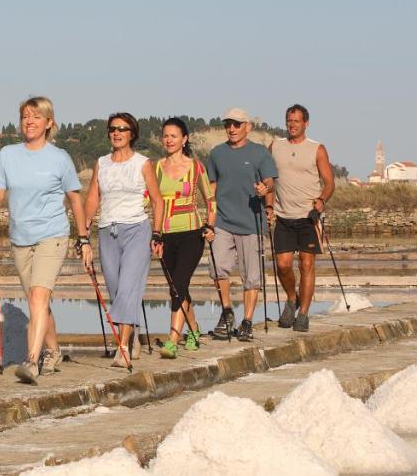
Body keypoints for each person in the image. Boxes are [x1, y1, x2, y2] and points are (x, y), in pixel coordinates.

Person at [0, 96, 92, 385]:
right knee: (37, 301)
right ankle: (54, 351)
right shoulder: (7, 155)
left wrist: (84, 239)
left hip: (52, 235)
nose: (29, 122)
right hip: (20, 237)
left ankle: (32, 361)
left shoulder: (60, 158)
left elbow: (75, 201)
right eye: (25, 117)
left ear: (49, 123)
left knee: (38, 297)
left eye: (35, 117)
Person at [82, 112, 163, 365]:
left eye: (122, 129)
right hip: (108, 230)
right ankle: (133, 334)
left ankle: (123, 348)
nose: (116, 133)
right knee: (117, 290)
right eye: (112, 128)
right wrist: (83, 236)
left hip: (137, 229)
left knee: (128, 287)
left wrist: (158, 233)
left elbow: (158, 201)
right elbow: (93, 198)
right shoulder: (101, 163)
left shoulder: (143, 163)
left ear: (132, 134)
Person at [205, 107, 277, 342]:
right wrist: (209, 220)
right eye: (228, 124)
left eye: (237, 124)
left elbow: (270, 181)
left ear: (248, 127)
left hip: (251, 223)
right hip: (223, 221)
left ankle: (247, 321)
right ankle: (227, 313)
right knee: (218, 269)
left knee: (252, 276)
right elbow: (212, 189)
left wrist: (265, 192)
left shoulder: (260, 153)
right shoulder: (216, 153)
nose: (232, 128)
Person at [153, 117, 215, 358]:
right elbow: (148, 198)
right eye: (165, 136)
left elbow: (210, 200)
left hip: (191, 234)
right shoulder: (156, 167)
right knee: (177, 288)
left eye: (173, 136)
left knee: (178, 285)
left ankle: (172, 340)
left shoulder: (195, 166)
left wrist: (211, 226)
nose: (168, 140)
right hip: (165, 235)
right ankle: (195, 330)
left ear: (184, 139)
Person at [269, 103, 335, 332]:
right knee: (282, 265)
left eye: (296, 121)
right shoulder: (275, 147)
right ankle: (291, 298)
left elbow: (329, 183)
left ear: (306, 123)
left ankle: (303, 314)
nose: (292, 125)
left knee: (307, 265)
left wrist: (321, 200)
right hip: (283, 216)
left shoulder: (317, 149)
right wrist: (268, 205)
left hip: (309, 217)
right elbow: (269, 181)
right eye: (289, 120)